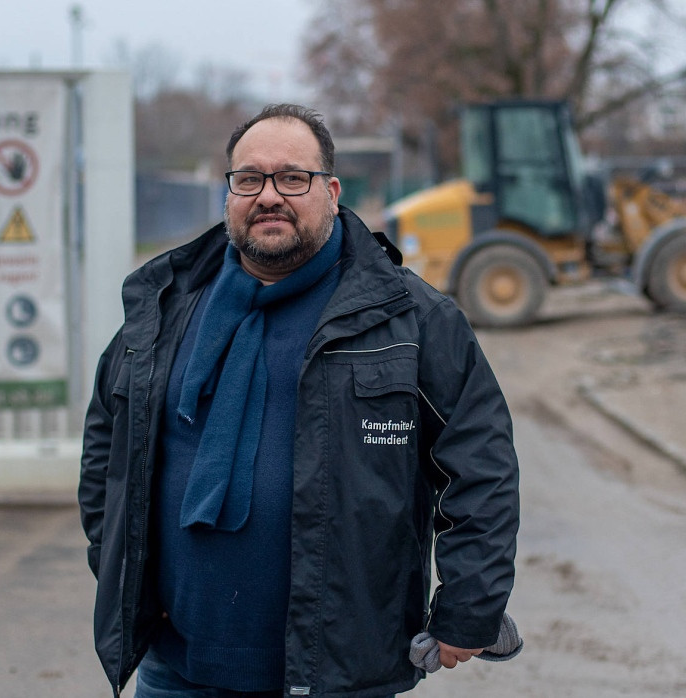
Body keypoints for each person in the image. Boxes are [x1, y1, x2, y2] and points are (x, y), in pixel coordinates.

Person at [79, 103, 520, 697]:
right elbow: (110, 441)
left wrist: (470, 606)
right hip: (176, 671)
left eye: (293, 178)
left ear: (331, 192)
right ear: (228, 193)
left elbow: (481, 468)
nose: (268, 195)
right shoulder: (166, 307)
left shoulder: (413, 319)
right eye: (249, 179)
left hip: (337, 674)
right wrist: (120, 567)